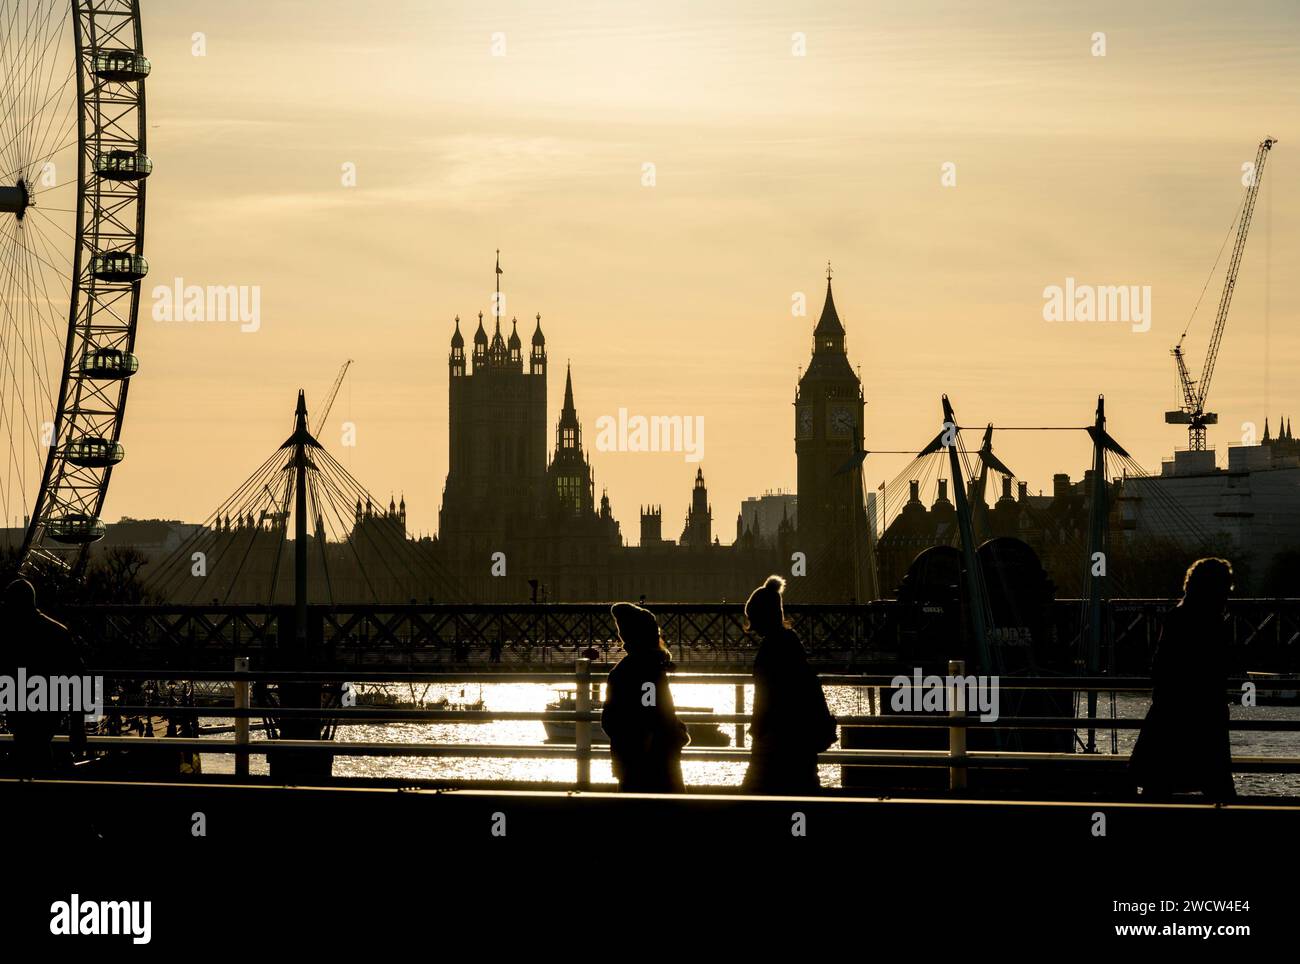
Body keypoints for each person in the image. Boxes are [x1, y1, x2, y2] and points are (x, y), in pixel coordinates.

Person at [1130, 558, 1238, 802]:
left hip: (1169, 717)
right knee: (1218, 784)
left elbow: (1159, 670)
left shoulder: (1176, 619)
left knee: (1159, 783)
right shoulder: (1213, 624)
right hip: (1206, 717)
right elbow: (1219, 669)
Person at [742, 575, 837, 794]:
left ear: (762, 617)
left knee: (755, 796)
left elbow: (765, 698)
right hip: (799, 741)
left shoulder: (771, 650)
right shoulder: (792, 645)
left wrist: (757, 731)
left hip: (777, 742)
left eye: (753, 619)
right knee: (803, 788)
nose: (751, 627)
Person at [0, 578, 88, 777]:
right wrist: (78, 724)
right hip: (48, 708)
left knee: (28, 748)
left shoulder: (10, 635)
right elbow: (80, 679)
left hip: (21, 705)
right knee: (37, 748)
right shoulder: (57, 632)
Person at [600, 602, 689, 792]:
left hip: (633, 760)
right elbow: (650, 712)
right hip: (654, 761)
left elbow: (612, 719)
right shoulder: (649, 671)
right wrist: (677, 732)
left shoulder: (626, 669)